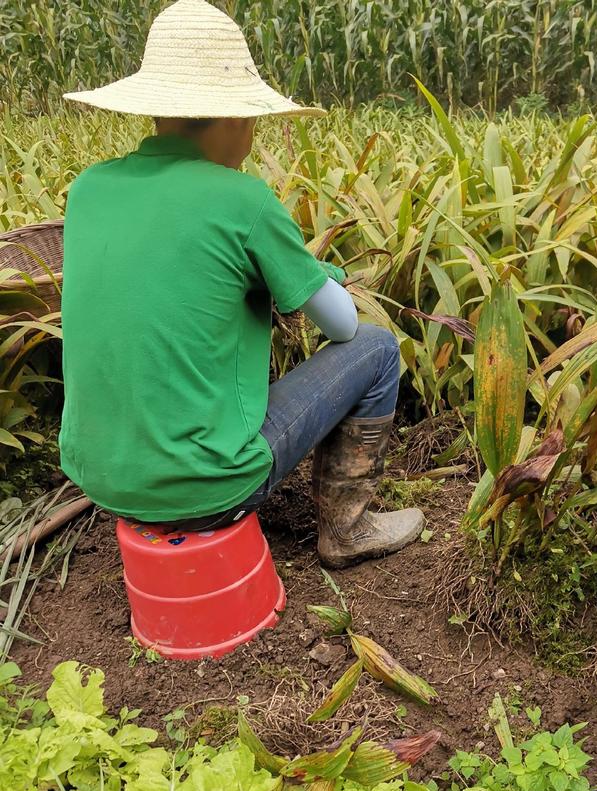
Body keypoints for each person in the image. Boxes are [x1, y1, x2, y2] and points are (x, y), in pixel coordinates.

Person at [59, 0, 423, 567]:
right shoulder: (243, 199)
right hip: (210, 491)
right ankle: (348, 530)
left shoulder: (87, 189)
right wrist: (313, 278)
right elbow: (343, 324)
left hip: (99, 478)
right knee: (376, 349)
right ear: (234, 118)